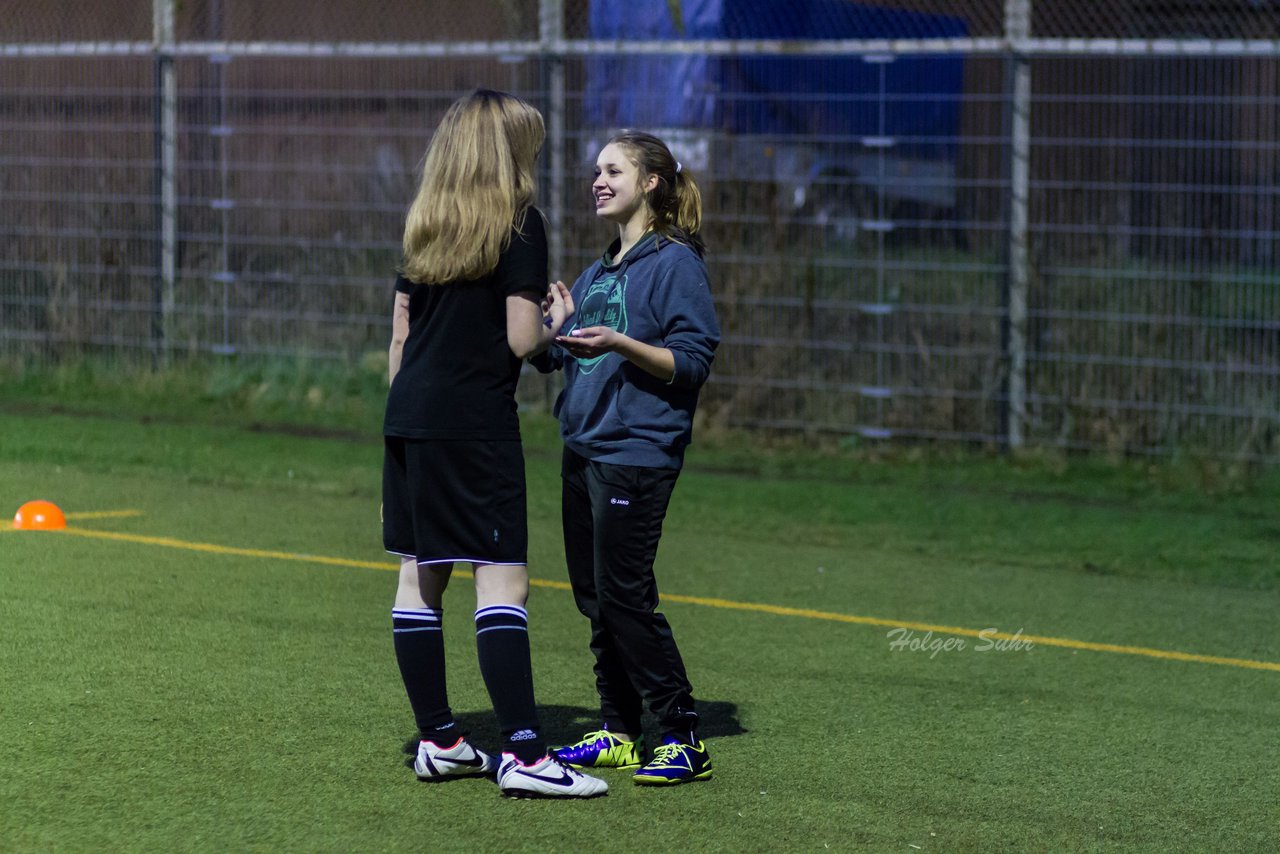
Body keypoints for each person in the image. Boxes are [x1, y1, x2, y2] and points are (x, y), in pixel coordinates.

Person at [382, 88, 605, 799]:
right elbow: (519, 338)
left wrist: (410, 411)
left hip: (408, 416)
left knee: (421, 574)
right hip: (474, 422)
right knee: (502, 577)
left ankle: (441, 740)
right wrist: (558, 322)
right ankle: (526, 754)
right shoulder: (519, 224)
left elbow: (400, 339)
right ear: (508, 153)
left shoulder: (427, 221)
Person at [533, 130, 721, 785]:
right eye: (595, 170)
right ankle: (618, 731)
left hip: (635, 457)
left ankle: (682, 733)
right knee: (595, 598)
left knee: (625, 596)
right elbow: (555, 359)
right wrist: (548, 331)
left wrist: (620, 342)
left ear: (650, 183)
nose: (598, 180)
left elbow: (692, 363)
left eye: (613, 170)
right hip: (581, 453)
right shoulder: (597, 271)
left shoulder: (675, 264)